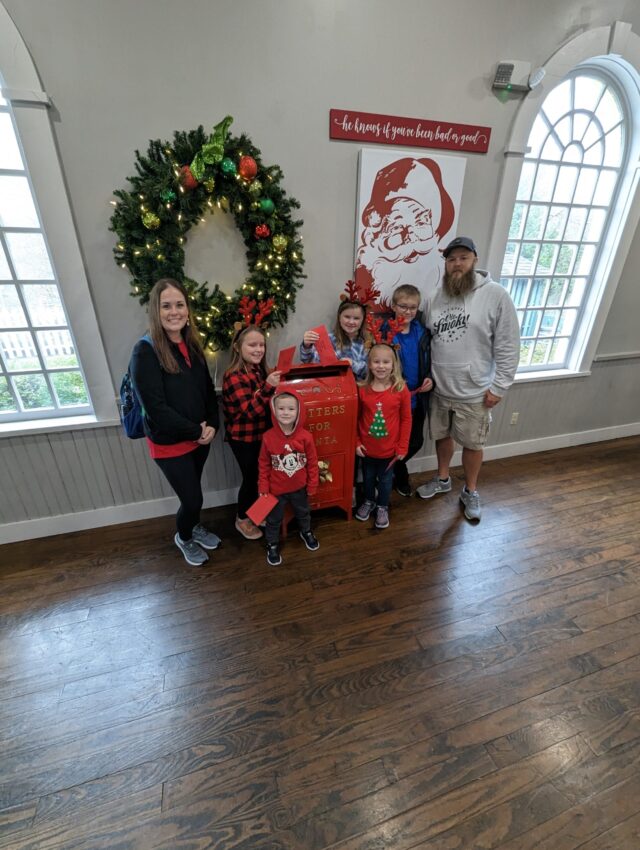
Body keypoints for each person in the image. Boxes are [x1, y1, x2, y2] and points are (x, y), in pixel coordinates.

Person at [416, 236, 520, 521]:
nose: (456, 264)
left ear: (475, 259)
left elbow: (509, 344)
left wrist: (499, 386)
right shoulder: (435, 297)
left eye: (463, 257)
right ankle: (442, 478)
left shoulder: (495, 295)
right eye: (451, 260)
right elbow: (426, 337)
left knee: (473, 444)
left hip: (475, 391)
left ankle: (470, 490)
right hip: (440, 388)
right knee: (442, 436)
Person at [130, 278, 220, 567]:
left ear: (188, 309)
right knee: (192, 500)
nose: (174, 312)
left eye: (179, 304)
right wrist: (196, 430)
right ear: (156, 312)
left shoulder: (191, 343)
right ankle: (184, 536)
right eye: (166, 306)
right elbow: (155, 409)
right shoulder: (145, 351)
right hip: (170, 443)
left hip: (200, 438)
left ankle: (193, 526)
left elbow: (207, 389)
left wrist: (213, 426)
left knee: (195, 494)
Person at [222, 324, 281, 540]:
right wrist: (268, 387)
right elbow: (249, 411)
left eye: (262, 345)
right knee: (251, 477)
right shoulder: (233, 376)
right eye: (252, 345)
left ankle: (257, 514)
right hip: (244, 438)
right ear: (238, 347)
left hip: (262, 435)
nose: (258, 349)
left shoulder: (259, 370)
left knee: (263, 476)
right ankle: (242, 519)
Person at [258, 388, 320, 566]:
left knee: (303, 513)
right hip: (275, 491)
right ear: (274, 410)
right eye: (281, 408)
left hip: (300, 488)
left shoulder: (305, 437)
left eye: (291, 409)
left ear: (299, 411)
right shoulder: (268, 438)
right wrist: (263, 487)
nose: (286, 413)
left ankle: (306, 531)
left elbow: (313, 462)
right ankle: (272, 543)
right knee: (273, 520)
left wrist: (312, 484)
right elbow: (263, 464)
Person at [355, 338, 412, 529]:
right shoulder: (362, 390)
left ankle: (382, 506)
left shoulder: (401, 389)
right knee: (368, 479)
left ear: (393, 364)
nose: (381, 366)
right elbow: (356, 419)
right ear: (369, 365)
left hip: (389, 451)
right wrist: (356, 442)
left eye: (386, 362)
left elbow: (406, 419)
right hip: (367, 449)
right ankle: (369, 501)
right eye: (376, 362)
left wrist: (403, 446)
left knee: (386, 482)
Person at [384, 284, 433, 496]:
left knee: (415, 441)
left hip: (418, 398)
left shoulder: (422, 332)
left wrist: (430, 378)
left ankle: (395, 467)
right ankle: (394, 475)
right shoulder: (384, 332)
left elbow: (431, 360)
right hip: (395, 398)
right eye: (403, 306)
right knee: (391, 440)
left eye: (413, 307)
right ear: (394, 306)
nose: (408, 311)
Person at [299, 294, 369, 381]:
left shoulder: (367, 343)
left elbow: (372, 371)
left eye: (356, 318)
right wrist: (307, 346)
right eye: (347, 317)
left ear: (362, 320)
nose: (351, 322)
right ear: (339, 317)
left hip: (358, 389)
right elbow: (309, 362)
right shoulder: (327, 339)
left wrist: (353, 364)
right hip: (330, 387)